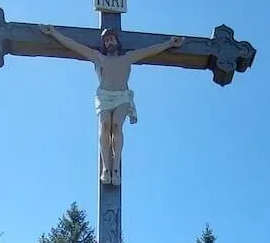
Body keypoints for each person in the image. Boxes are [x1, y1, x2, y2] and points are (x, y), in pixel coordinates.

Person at [39, 24, 184, 185]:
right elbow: (75, 45)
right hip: (104, 96)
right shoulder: (98, 57)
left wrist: (169, 43)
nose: (109, 42)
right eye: (106, 40)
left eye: (111, 39)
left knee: (116, 126)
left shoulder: (127, 57)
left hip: (122, 96)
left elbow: (149, 50)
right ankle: (106, 168)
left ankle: (115, 169)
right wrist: (54, 33)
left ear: (117, 41)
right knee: (105, 125)